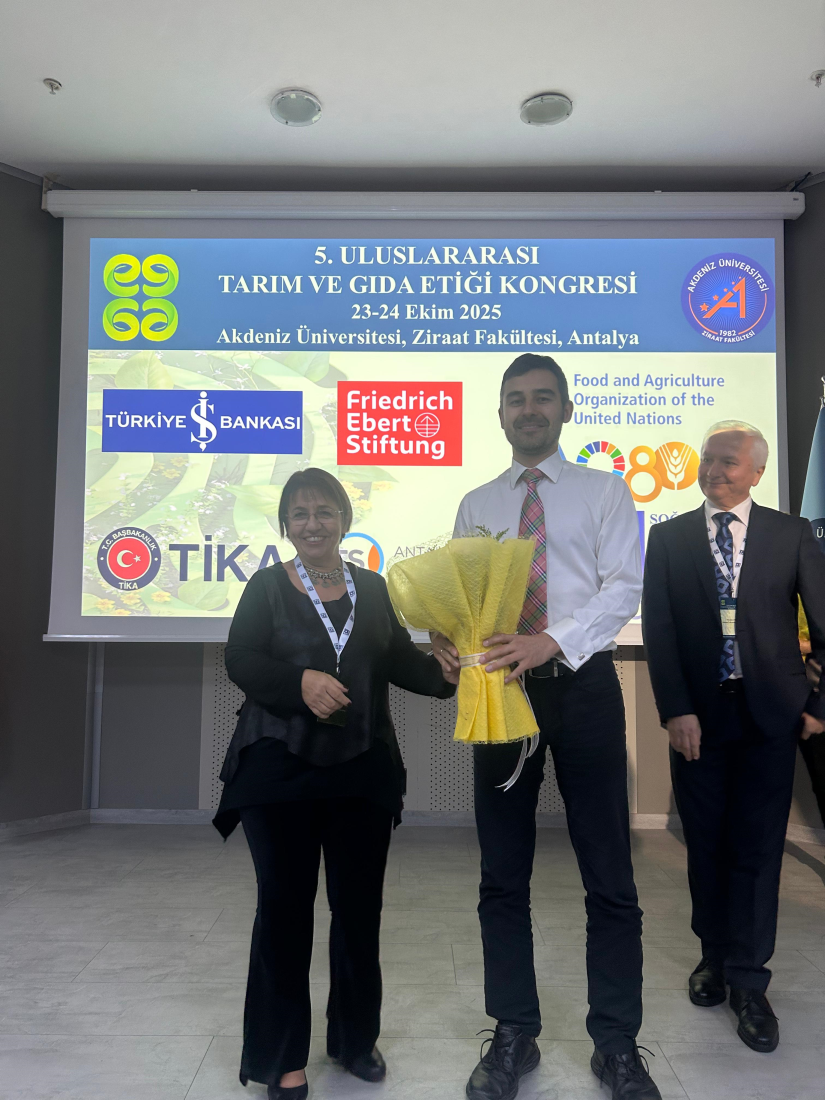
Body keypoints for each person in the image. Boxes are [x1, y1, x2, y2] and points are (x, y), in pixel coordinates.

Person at [432, 354, 659, 1100]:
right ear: (499, 414)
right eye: (515, 400)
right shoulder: (475, 502)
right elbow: (462, 595)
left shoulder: (604, 491)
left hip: (583, 689)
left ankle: (616, 1044)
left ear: (564, 409)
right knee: (502, 873)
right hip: (500, 693)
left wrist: (550, 640)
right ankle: (513, 1033)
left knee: (609, 874)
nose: (528, 410)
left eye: (542, 398)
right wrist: (444, 638)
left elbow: (623, 587)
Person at [213, 467, 457, 1100]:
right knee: (284, 912)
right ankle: (281, 1058)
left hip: (361, 771)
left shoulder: (371, 588)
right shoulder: (266, 586)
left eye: (324, 511)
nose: (313, 523)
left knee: (358, 912)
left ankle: (353, 1040)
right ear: (286, 525)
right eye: (300, 514)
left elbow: (396, 660)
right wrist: (299, 683)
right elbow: (240, 658)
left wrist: (447, 674)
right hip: (279, 769)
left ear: (344, 520)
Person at [642, 421, 825, 1053]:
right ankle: (713, 956)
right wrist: (675, 710)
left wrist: (817, 704)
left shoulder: (789, 534)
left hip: (770, 717)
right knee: (706, 847)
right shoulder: (668, 537)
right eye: (708, 459)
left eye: (728, 461)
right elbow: (660, 630)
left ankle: (749, 979)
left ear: (756, 473)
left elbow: (823, 625)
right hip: (698, 719)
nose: (714, 470)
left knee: (758, 850)